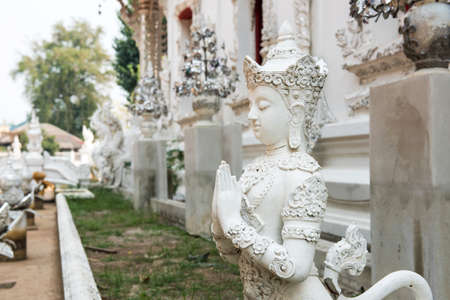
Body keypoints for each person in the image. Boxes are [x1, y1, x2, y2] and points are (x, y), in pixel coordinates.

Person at [211, 22, 332, 300]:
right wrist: (219, 219)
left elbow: (296, 267)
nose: (252, 115)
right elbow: (234, 257)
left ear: (296, 113)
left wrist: (232, 223)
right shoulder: (254, 171)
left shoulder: (304, 177)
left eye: (262, 106)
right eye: (251, 104)